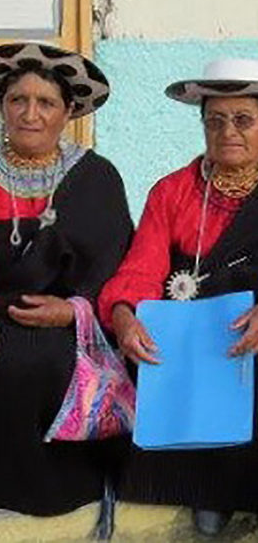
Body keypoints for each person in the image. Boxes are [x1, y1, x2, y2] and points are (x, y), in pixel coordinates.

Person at [0, 42, 133, 516]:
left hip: (72, 316)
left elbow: (115, 262)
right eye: (18, 100)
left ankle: (62, 483)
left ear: (68, 113)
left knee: (41, 360)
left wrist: (75, 310)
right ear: (2, 106)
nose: (30, 114)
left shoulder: (97, 176)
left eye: (46, 103)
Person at [99, 58, 258, 536]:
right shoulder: (173, 192)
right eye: (215, 120)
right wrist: (124, 314)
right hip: (197, 337)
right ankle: (210, 491)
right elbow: (142, 267)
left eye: (244, 120)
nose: (228, 131)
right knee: (159, 361)